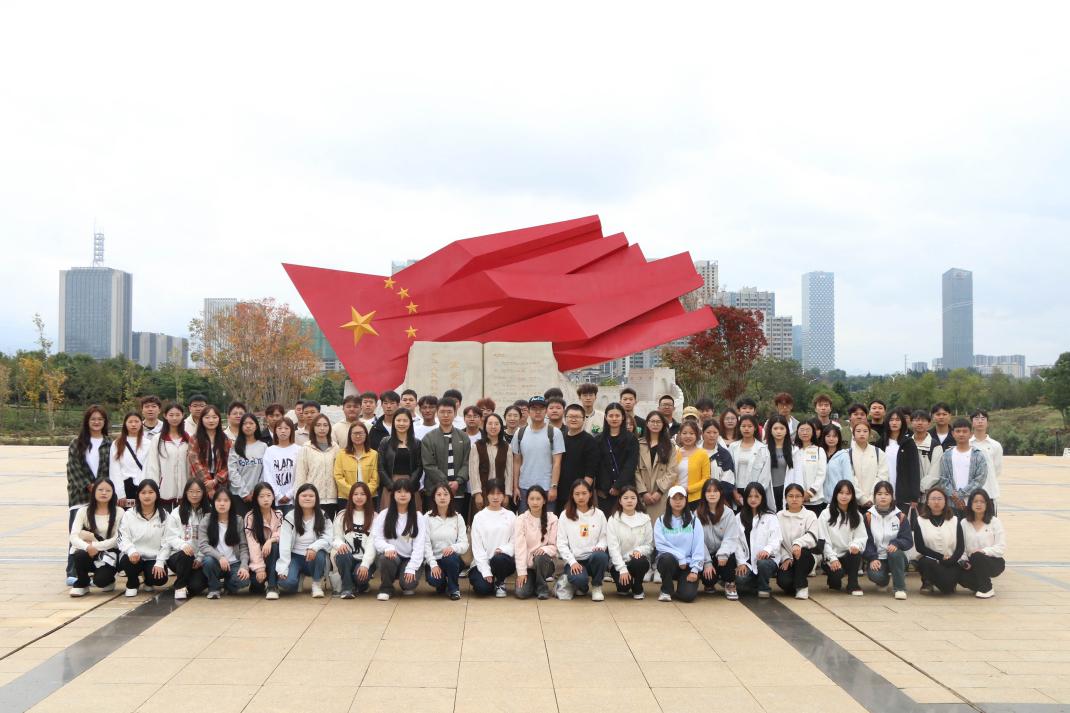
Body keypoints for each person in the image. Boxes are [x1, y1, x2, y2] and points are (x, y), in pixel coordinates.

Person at [67, 405, 112, 583]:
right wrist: (90, 486)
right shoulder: (76, 443)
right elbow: (73, 468)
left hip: (103, 497)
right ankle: (72, 572)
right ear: (87, 421)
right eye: (93, 419)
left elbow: (111, 469)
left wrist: (101, 489)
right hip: (80, 497)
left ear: (105, 422)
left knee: (99, 535)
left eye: (100, 419)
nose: (96, 422)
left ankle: (98, 570)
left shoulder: (110, 444)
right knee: (77, 534)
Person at [371, 477, 427, 600]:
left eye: (406, 491)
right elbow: (377, 538)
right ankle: (386, 588)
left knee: (408, 585)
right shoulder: (384, 514)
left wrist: (411, 568)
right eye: (399, 491)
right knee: (385, 559)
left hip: (410, 558)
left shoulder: (418, 517)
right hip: (393, 556)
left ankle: (405, 578)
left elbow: (419, 545)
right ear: (393, 494)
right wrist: (387, 547)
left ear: (411, 495)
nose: (403, 495)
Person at [276, 483, 332, 598]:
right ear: (297, 498)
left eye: (311, 496)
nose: (307, 498)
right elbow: (284, 543)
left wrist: (314, 547)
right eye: (304, 495)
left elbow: (329, 537)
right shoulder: (290, 516)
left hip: (313, 557)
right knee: (286, 584)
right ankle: (298, 576)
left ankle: (316, 584)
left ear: (316, 499)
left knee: (320, 553)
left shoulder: (323, 515)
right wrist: (283, 568)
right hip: (295, 557)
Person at [557, 479, 609, 601]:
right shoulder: (565, 515)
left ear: (590, 494)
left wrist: (600, 547)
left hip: (592, 558)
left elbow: (604, 537)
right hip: (575, 561)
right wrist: (572, 562)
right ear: (572, 495)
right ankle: (582, 586)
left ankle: (597, 586)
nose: (581, 497)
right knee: (579, 579)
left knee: (601, 556)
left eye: (584, 493)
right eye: (577, 494)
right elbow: (561, 543)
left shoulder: (599, 514)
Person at [511, 396, 565, 513]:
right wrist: (515, 487)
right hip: (524, 487)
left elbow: (557, 462)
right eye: (534, 408)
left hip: (546, 487)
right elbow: (517, 461)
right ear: (528, 412)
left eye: (541, 408)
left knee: (548, 521)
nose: (538, 411)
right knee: (525, 521)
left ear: (545, 411)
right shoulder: (519, 433)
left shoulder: (555, 433)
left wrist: (554, 487)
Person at [68, 478, 120, 597]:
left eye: (108, 490)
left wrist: (95, 546)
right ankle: (82, 583)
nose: (104, 493)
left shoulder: (119, 512)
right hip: (88, 551)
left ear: (113, 493)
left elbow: (117, 539)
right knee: (80, 554)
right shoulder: (83, 511)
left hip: (109, 553)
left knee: (101, 581)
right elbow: (73, 537)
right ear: (94, 491)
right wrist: (87, 547)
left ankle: (109, 580)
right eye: (100, 490)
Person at [117, 480, 168, 596]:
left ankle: (148, 580)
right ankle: (132, 582)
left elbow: (167, 540)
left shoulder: (164, 515)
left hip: (154, 557)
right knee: (128, 561)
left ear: (157, 494)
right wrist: (131, 551)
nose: (147, 496)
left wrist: (160, 561)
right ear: (138, 495)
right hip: (134, 556)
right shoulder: (129, 514)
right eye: (143, 492)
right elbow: (123, 537)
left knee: (160, 579)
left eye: (151, 492)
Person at [653, 485, 704, 603]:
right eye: (674, 498)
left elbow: (698, 546)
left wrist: (695, 570)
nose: (678, 502)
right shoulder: (660, 521)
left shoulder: (694, 521)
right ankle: (666, 590)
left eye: (681, 498)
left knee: (688, 596)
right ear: (668, 500)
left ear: (686, 500)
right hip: (670, 563)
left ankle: (681, 589)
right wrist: (680, 557)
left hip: (688, 565)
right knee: (666, 559)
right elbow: (661, 545)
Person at [863, 481, 913, 600]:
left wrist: (897, 543)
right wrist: (872, 558)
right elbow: (866, 541)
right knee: (876, 576)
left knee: (894, 554)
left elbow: (908, 540)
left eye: (887, 494)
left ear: (892, 496)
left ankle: (899, 588)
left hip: (898, 557)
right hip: (878, 557)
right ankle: (883, 581)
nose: (883, 497)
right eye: (879, 494)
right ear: (874, 496)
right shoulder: (868, 517)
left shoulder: (900, 516)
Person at [161, 479, 210, 600]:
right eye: (191, 491)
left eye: (198, 491)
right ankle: (180, 586)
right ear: (186, 493)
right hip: (179, 556)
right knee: (186, 554)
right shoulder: (176, 512)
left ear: (203, 493)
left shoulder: (209, 512)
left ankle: (187, 579)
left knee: (196, 586)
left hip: (199, 559)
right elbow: (170, 536)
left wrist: (200, 557)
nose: (194, 495)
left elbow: (211, 538)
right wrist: (183, 545)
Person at [421, 398, 471, 515]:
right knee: (434, 520)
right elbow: (428, 465)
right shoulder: (429, 438)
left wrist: (458, 481)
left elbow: (467, 462)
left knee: (456, 520)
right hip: (434, 490)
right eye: (442, 412)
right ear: (437, 413)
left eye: (449, 412)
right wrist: (445, 483)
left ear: (455, 413)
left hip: (458, 490)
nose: (446, 415)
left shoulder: (463, 437)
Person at [198, 489, 251, 598]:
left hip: (234, 562)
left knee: (244, 581)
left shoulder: (238, 520)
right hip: (216, 562)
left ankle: (227, 584)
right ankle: (214, 588)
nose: (222, 504)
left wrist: (244, 566)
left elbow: (243, 546)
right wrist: (220, 557)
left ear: (231, 503)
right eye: (218, 500)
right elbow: (203, 545)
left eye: (226, 500)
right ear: (214, 502)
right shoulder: (207, 520)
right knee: (208, 561)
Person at [911, 486, 964, 595]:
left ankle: (948, 581)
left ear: (945, 501)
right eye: (933, 499)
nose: (936, 502)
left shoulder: (954, 520)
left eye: (940, 499)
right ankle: (927, 582)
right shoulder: (920, 521)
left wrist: (951, 560)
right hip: (930, 560)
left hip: (951, 560)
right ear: (927, 502)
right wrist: (940, 557)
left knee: (947, 589)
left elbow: (960, 547)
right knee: (926, 562)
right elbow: (920, 547)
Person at [469, 480, 517, 597]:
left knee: (499, 559)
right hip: (483, 562)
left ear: (504, 495)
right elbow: (477, 548)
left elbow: (515, 541)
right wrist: (486, 571)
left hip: (502, 560)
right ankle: (491, 582)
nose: (495, 497)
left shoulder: (510, 515)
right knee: (482, 589)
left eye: (499, 493)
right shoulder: (479, 517)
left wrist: (504, 549)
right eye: (492, 493)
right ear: (486, 495)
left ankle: (500, 582)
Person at [820, 480, 867, 596]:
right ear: (836, 494)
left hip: (848, 555)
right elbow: (823, 539)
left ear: (852, 496)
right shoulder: (825, 514)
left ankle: (853, 584)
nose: (844, 496)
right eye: (841, 493)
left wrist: (855, 545)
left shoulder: (857, 515)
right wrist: (832, 558)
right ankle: (833, 579)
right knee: (836, 577)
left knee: (856, 552)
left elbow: (861, 537)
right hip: (831, 557)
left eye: (848, 493)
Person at [733, 482, 781, 598]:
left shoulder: (770, 517)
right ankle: (755, 581)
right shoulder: (739, 517)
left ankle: (764, 587)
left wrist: (767, 550)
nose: (753, 499)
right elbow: (736, 542)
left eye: (756, 496)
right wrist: (741, 563)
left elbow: (776, 539)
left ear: (762, 498)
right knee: (740, 582)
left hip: (767, 560)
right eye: (750, 496)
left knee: (762, 564)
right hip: (748, 562)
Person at [696, 479, 741, 600]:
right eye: (708, 491)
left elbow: (731, 537)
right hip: (707, 555)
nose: (712, 494)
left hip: (724, 555)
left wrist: (723, 553)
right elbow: (698, 541)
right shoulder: (697, 514)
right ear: (704, 494)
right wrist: (707, 562)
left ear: (720, 493)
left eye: (715, 491)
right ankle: (709, 583)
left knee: (730, 557)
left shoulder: (728, 513)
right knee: (709, 579)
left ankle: (730, 583)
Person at [607, 485, 652, 599]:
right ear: (620, 501)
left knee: (639, 561)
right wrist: (622, 569)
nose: (629, 501)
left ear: (637, 500)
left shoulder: (645, 519)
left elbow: (649, 544)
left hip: (637, 560)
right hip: (619, 563)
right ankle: (626, 583)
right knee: (623, 588)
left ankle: (638, 586)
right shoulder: (613, 519)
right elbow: (613, 548)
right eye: (625, 498)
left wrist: (639, 551)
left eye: (633, 498)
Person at [332, 482, 377, 598]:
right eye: (356, 494)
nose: (359, 497)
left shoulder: (375, 517)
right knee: (342, 555)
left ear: (368, 496)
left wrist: (365, 564)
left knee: (360, 578)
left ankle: (362, 585)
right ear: (351, 496)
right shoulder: (342, 515)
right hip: (348, 558)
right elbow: (336, 537)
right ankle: (347, 588)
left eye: (363, 494)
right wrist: (340, 544)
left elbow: (372, 544)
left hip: (364, 559)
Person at [424, 483, 469, 600]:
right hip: (435, 559)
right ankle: (442, 583)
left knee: (450, 558)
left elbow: (464, 543)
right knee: (435, 580)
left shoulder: (458, 517)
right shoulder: (427, 517)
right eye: (439, 494)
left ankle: (454, 588)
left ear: (451, 497)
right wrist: (433, 565)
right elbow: (425, 544)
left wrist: (453, 548)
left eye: (445, 494)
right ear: (434, 498)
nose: (442, 497)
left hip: (452, 559)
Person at [776, 483, 821, 599]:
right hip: (787, 558)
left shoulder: (810, 515)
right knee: (784, 582)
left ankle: (802, 587)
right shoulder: (779, 516)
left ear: (803, 498)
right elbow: (777, 540)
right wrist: (785, 557)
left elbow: (812, 537)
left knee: (802, 553)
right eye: (791, 496)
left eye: (798, 496)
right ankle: (796, 583)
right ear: (785, 498)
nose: (794, 499)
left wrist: (798, 543)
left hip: (805, 557)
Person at [513, 485, 559, 600]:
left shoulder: (552, 519)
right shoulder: (521, 520)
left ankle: (542, 588)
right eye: (532, 499)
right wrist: (521, 572)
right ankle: (534, 581)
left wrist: (544, 549)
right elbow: (519, 548)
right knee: (521, 593)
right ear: (527, 501)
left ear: (544, 501)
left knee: (540, 557)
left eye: (538, 499)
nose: (535, 502)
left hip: (545, 564)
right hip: (528, 566)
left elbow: (555, 546)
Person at [958, 489, 1006, 598]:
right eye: (975, 501)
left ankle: (986, 589)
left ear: (987, 504)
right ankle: (981, 585)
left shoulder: (995, 522)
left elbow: (1001, 547)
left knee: (977, 556)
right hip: (971, 563)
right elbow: (961, 547)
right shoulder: (964, 523)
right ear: (970, 504)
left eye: (982, 501)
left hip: (992, 561)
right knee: (959, 576)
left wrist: (983, 551)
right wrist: (964, 561)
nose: (978, 504)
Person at [144, 403, 191, 511]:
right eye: (171, 415)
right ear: (165, 416)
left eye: (177, 415)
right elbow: (153, 466)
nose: (174, 418)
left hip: (185, 491)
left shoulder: (188, 438)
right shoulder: (158, 439)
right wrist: (154, 488)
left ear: (183, 415)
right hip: (165, 491)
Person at [936, 418, 988, 515]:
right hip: (951, 504)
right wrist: (954, 497)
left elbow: (980, 479)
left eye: (964, 431)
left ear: (971, 434)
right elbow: (943, 479)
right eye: (958, 431)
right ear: (953, 433)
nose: (961, 434)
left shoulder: (978, 455)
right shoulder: (946, 455)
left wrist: (960, 495)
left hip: (972, 503)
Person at [596, 403, 639, 515]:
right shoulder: (599, 439)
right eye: (611, 416)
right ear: (606, 417)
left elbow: (630, 465)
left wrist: (617, 486)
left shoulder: (631, 439)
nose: (614, 419)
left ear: (623, 417)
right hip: (604, 492)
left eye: (617, 416)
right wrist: (604, 488)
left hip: (626, 490)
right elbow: (599, 465)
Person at [557, 404, 599, 513]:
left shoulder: (590, 441)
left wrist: (582, 493)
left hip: (579, 495)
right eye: (570, 416)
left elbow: (590, 471)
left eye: (577, 417)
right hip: (559, 492)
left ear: (584, 419)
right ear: (565, 418)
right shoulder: (560, 437)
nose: (573, 419)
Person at [296, 413, 340, 519]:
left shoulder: (335, 447)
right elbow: (301, 474)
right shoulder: (306, 448)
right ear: (313, 428)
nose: (322, 428)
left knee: (329, 526)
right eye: (318, 425)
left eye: (325, 425)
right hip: (312, 497)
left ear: (329, 428)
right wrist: (299, 496)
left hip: (332, 497)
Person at [469, 413, 513, 516]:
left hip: (500, 494)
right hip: (482, 493)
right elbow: (473, 471)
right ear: (485, 426)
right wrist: (477, 493)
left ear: (501, 427)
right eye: (490, 423)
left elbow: (509, 473)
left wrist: (507, 494)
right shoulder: (477, 446)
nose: (493, 427)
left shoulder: (506, 447)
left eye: (496, 424)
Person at [377, 407, 422, 507]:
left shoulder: (417, 443)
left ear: (410, 423)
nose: (401, 423)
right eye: (398, 420)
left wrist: (409, 485)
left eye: (405, 420)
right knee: (390, 514)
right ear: (394, 422)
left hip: (411, 486)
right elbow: (380, 467)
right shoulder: (385, 442)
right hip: (390, 485)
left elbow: (420, 466)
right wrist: (391, 485)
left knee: (411, 514)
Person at [245, 482, 283, 599]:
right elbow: (252, 544)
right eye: (261, 496)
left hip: (274, 556)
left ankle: (272, 586)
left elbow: (282, 535)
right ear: (256, 499)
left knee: (275, 546)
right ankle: (261, 581)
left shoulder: (279, 514)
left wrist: (270, 541)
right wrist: (260, 568)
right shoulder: (250, 517)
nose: (266, 499)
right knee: (257, 585)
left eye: (268, 495)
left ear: (273, 497)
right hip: (257, 559)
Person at [636, 411, 675, 524]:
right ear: (647, 423)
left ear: (663, 424)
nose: (655, 424)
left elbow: (672, 472)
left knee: (659, 525)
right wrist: (643, 492)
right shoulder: (639, 444)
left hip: (660, 494)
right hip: (642, 494)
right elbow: (635, 470)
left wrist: (659, 492)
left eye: (658, 422)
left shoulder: (670, 446)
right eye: (652, 421)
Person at [880, 407, 920, 513]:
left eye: (897, 420)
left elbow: (914, 470)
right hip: (883, 490)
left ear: (902, 423)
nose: (894, 423)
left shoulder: (909, 443)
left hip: (903, 493)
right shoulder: (881, 442)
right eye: (891, 420)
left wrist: (914, 496)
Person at [729, 416, 773, 510]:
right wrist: (734, 492)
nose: (746, 429)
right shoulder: (733, 447)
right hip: (736, 492)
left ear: (755, 428)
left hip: (755, 492)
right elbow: (729, 472)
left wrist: (755, 494)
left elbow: (765, 475)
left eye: (750, 426)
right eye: (743, 426)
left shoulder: (762, 448)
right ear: (739, 428)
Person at [228, 413, 266, 517]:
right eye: (244, 423)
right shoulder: (235, 446)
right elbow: (232, 471)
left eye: (251, 423)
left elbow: (265, 471)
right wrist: (244, 493)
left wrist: (257, 491)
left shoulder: (263, 446)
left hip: (258, 494)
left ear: (256, 426)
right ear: (241, 427)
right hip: (238, 495)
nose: (248, 426)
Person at [334, 420, 379, 508]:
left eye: (361, 433)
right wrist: (353, 493)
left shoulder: (374, 454)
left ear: (366, 435)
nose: (358, 436)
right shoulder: (341, 454)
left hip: (369, 497)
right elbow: (338, 477)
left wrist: (364, 493)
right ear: (350, 436)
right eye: (355, 433)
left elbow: (375, 479)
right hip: (346, 498)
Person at [111, 412, 150, 509]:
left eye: (136, 421)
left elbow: (149, 468)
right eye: (130, 422)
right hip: (125, 487)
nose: (133, 424)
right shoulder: (117, 443)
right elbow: (114, 469)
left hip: (143, 486)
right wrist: (120, 493)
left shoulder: (148, 444)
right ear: (125, 424)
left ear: (141, 423)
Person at [189, 405, 230, 499]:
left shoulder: (225, 439)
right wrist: (208, 485)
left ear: (219, 419)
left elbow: (228, 463)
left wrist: (215, 481)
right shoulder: (194, 439)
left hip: (220, 483)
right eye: (207, 417)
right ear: (201, 419)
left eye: (214, 417)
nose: (211, 420)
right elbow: (195, 462)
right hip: (200, 482)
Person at [847, 421, 888, 510]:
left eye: (865, 431)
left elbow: (882, 476)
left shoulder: (878, 452)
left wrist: (872, 497)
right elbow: (850, 477)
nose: (862, 434)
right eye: (858, 431)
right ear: (853, 434)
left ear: (869, 434)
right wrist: (862, 498)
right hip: (854, 502)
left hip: (875, 502)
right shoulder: (847, 454)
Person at [263, 418, 299, 513]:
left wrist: (289, 495)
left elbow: (300, 475)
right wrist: (278, 495)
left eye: (286, 428)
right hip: (274, 499)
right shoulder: (270, 451)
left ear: (291, 431)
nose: (283, 431)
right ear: (275, 431)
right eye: (279, 428)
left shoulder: (299, 450)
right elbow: (267, 475)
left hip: (293, 499)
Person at [671, 421, 710, 508]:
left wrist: (688, 489)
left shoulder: (703, 454)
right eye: (684, 433)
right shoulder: (675, 453)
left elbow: (706, 478)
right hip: (677, 496)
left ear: (697, 435)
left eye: (691, 433)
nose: (688, 436)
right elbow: (671, 475)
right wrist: (678, 489)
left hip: (696, 498)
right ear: (680, 435)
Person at [792, 420, 828, 514]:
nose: (805, 433)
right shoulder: (793, 451)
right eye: (802, 430)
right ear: (797, 432)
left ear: (813, 432)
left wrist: (810, 492)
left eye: (808, 430)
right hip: (795, 499)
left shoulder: (819, 450)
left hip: (815, 500)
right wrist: (797, 493)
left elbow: (821, 474)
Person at [970, 410, 1003, 510]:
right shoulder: (967, 444)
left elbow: (997, 469)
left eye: (983, 418)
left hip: (990, 492)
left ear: (987, 422)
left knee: (990, 519)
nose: (980, 421)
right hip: (969, 493)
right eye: (976, 418)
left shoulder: (995, 445)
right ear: (972, 422)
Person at [764, 415, 797, 512]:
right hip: (770, 490)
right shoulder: (763, 449)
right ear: (770, 430)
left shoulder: (794, 450)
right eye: (775, 428)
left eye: (782, 428)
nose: (778, 431)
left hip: (787, 489)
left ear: (786, 430)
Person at [910, 410, 945, 491]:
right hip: (908, 492)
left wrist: (919, 488)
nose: (920, 423)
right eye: (916, 420)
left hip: (928, 492)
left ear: (929, 424)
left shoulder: (935, 446)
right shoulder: (906, 444)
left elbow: (935, 473)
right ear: (911, 423)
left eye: (923, 420)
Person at [821, 424, 851, 505]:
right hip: (820, 499)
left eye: (834, 436)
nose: (831, 439)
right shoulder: (820, 453)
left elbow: (848, 478)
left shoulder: (843, 455)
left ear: (839, 438)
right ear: (824, 437)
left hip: (838, 499)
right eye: (828, 436)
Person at [700, 420, 735, 487]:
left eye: (715, 432)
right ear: (702, 433)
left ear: (719, 434)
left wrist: (717, 491)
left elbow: (728, 478)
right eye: (708, 432)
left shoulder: (724, 454)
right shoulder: (695, 451)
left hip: (718, 492)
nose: (712, 435)